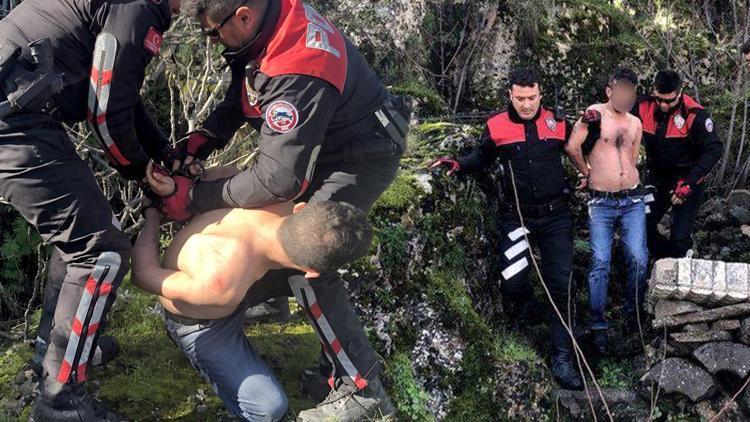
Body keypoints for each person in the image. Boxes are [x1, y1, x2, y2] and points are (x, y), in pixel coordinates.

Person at [148, 0, 409, 419]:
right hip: (328, 139)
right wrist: (202, 140)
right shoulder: (268, 22)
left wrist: (192, 197)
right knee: (274, 230)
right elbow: (246, 94)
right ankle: (271, 299)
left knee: (306, 251)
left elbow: (277, 180)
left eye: (214, 33)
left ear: (243, 15)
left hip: (361, 153)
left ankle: (362, 390)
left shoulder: (299, 61)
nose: (213, 43)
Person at [0, 0, 181, 419]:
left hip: (19, 106)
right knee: (102, 251)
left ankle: (54, 354)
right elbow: (107, 114)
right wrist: (142, 171)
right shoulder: (140, 8)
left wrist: (162, 153)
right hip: (14, 119)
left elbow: (122, 94)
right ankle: (62, 403)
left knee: (84, 238)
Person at [132, 164, 373, 421]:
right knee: (269, 410)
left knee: (282, 259)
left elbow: (212, 174)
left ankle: (269, 309)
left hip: (232, 285)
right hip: (201, 324)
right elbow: (143, 274)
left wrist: (158, 207)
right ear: (311, 271)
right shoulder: (220, 283)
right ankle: (189, 346)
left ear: (300, 208)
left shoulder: (266, 194)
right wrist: (151, 217)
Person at [430, 68, 583, 390]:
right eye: (519, 98)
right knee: (512, 281)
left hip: (557, 218)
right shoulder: (496, 126)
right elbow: (481, 158)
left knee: (561, 286)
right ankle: (527, 309)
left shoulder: (558, 122)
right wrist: (457, 164)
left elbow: (580, 147)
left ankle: (562, 357)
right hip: (517, 218)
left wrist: (593, 128)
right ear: (510, 96)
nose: (526, 104)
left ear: (540, 95)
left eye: (531, 98)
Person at [566, 67, 649, 355]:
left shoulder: (636, 123)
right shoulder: (595, 113)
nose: (626, 97)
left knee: (638, 258)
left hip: (633, 200)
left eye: (631, 92)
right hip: (601, 202)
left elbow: (633, 157)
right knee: (600, 260)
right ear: (609, 90)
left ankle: (632, 314)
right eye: (621, 91)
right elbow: (573, 146)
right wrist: (585, 172)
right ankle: (597, 324)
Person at [632, 70, 722, 259]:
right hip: (656, 178)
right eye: (659, 100)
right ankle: (664, 261)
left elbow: (713, 150)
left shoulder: (694, 114)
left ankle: (682, 260)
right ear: (653, 92)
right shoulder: (642, 105)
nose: (664, 105)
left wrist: (689, 183)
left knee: (680, 236)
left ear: (679, 93)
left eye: (669, 101)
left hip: (687, 179)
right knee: (641, 225)